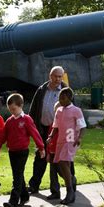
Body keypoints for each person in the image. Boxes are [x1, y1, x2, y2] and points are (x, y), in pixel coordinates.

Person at [0, 93, 45, 207]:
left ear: (21, 106)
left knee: (16, 176)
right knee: (18, 174)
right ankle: (24, 196)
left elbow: (35, 133)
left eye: (14, 109)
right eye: (10, 109)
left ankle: (13, 202)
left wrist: (41, 147)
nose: (12, 111)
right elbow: (3, 136)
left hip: (22, 151)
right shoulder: (9, 121)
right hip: (12, 151)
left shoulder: (26, 119)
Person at [28, 66, 66, 199]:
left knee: (61, 160)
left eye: (60, 76)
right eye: (55, 76)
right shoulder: (41, 89)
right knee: (40, 157)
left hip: (58, 131)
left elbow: (73, 111)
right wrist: (30, 127)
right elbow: (33, 110)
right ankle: (34, 185)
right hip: (42, 129)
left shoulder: (66, 91)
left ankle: (70, 182)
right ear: (50, 76)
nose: (58, 79)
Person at [47, 87, 86, 204]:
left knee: (64, 162)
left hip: (71, 141)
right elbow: (56, 126)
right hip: (60, 141)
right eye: (59, 98)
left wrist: (79, 138)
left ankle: (70, 192)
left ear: (70, 98)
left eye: (63, 98)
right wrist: (50, 136)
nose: (61, 100)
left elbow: (82, 126)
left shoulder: (76, 110)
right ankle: (71, 181)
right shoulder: (59, 111)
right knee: (60, 165)